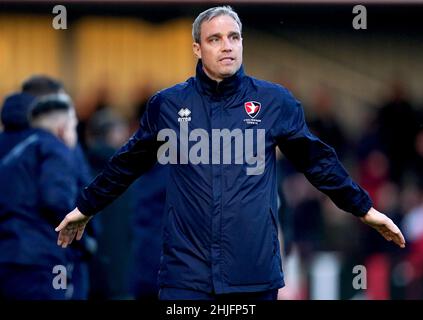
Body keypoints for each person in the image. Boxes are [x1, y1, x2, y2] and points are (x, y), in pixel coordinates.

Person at [56, 6, 406, 300]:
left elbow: (318, 161)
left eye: (234, 37)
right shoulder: (168, 105)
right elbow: (127, 163)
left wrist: (363, 208)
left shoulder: (274, 102)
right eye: (215, 39)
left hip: (253, 274)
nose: (227, 47)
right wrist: (87, 207)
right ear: (197, 48)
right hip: (186, 278)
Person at [0, 94, 78, 299]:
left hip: (8, 255)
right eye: (74, 127)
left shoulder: (16, 153)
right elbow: (56, 199)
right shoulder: (54, 147)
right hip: (42, 259)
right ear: (62, 128)